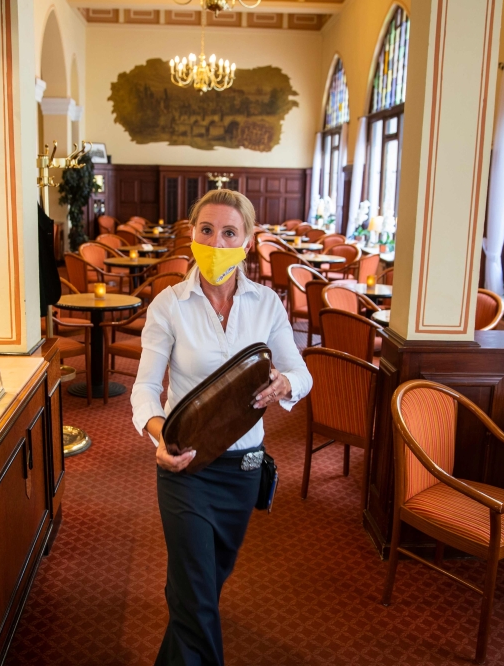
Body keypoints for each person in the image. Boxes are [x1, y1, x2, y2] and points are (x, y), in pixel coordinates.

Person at [131, 189, 313, 665]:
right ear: (192, 236)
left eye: (229, 232)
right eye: (206, 230)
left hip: (244, 469)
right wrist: (157, 435)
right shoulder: (168, 305)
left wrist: (283, 384)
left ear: (248, 241)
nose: (216, 241)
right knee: (196, 602)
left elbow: (302, 375)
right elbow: (146, 388)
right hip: (185, 466)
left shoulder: (267, 305)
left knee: (199, 591)